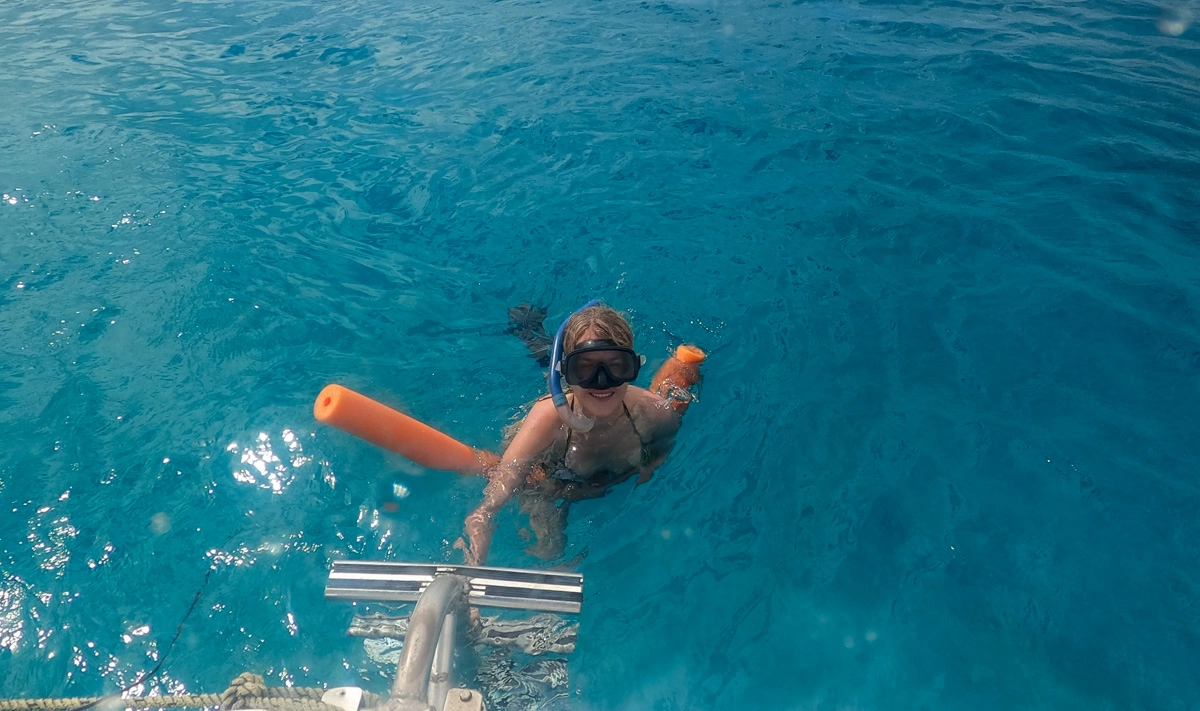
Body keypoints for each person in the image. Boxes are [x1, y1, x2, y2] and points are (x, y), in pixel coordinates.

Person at [456, 303, 684, 565]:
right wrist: (483, 514)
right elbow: (510, 474)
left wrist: (643, 470)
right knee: (548, 549)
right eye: (585, 368)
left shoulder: (656, 414)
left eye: (616, 366)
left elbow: (661, 450)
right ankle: (528, 329)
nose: (602, 382)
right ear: (565, 373)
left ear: (633, 366)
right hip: (547, 477)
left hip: (585, 483)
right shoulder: (547, 417)